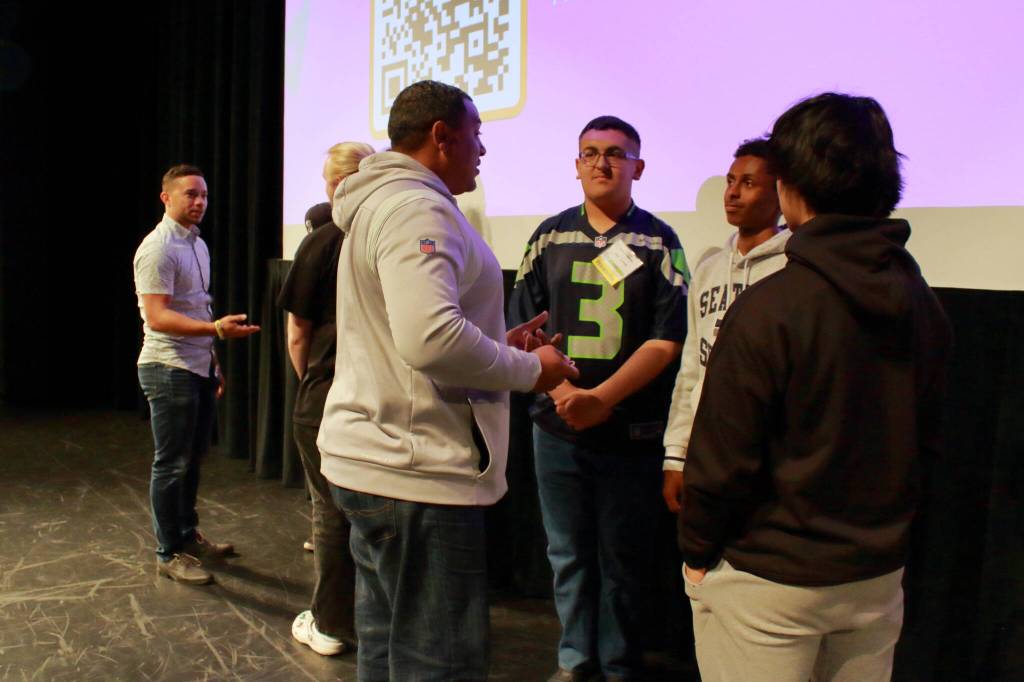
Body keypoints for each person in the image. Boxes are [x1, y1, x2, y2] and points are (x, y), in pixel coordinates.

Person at [679, 93, 952, 682]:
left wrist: (697, 554)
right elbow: (930, 445)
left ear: (791, 186)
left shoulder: (773, 306)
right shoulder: (920, 301)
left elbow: (722, 458)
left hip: (769, 586)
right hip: (875, 576)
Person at [316, 80, 579, 681]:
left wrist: (495, 345)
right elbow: (430, 341)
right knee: (438, 664)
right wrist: (532, 370)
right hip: (417, 473)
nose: (482, 150)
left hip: (382, 460)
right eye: (476, 134)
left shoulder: (383, 204)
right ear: (441, 136)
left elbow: (409, 334)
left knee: (386, 653)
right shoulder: (418, 208)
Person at [508, 115, 688, 682]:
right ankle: (575, 660)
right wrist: (565, 395)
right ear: (576, 164)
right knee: (567, 554)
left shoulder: (661, 241)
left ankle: (617, 664)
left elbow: (667, 338)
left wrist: (602, 398)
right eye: (590, 152)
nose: (602, 162)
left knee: (623, 558)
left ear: (639, 166)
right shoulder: (547, 236)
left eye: (615, 153)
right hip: (556, 426)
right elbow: (522, 331)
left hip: (627, 430)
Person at [133, 164, 260, 585]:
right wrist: (215, 330)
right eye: (190, 194)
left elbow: (195, 305)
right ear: (166, 197)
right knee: (170, 464)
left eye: (204, 194)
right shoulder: (158, 248)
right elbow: (158, 315)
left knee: (192, 460)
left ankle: (187, 537)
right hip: (167, 368)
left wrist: (213, 360)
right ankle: (168, 552)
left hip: (196, 365)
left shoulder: (197, 245)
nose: (200, 202)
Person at [278, 141, 375, 655]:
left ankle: (333, 625)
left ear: (335, 186)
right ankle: (373, 618)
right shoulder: (393, 235)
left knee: (331, 513)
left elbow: (298, 332)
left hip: (326, 400)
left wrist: (312, 381)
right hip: (381, 403)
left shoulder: (321, 242)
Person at [662, 138, 789, 513]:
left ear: (780, 193)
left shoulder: (792, 267)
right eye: (730, 181)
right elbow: (690, 370)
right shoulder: (709, 267)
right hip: (704, 450)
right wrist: (676, 456)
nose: (732, 193)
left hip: (767, 455)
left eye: (748, 183)